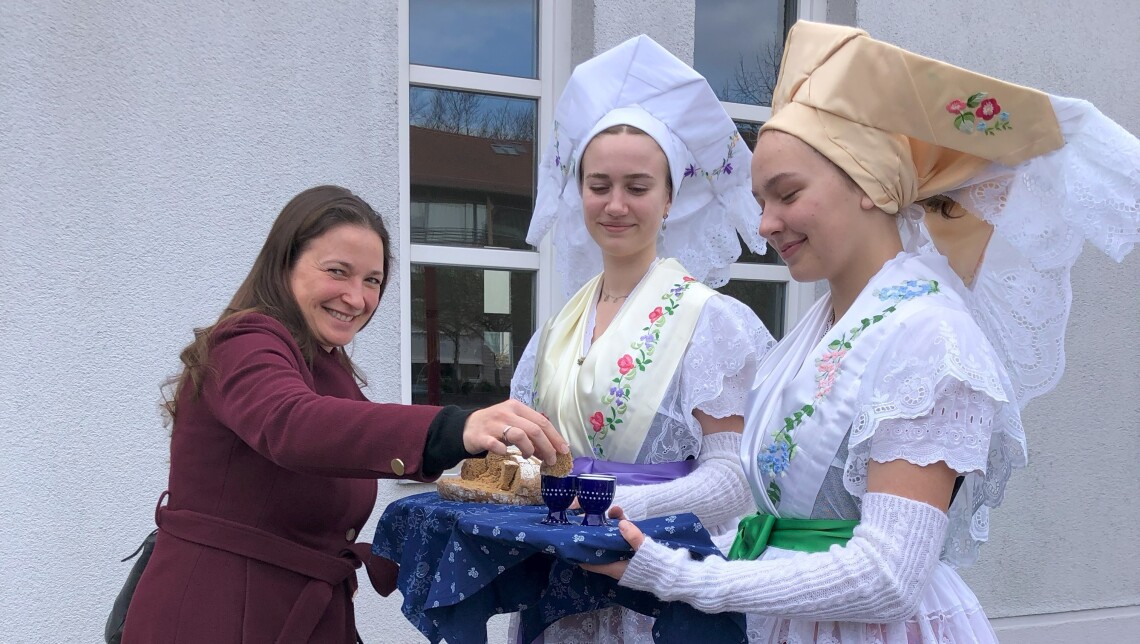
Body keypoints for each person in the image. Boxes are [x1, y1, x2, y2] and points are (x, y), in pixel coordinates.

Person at [584, 21, 1140, 643]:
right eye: (761, 200)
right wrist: (642, 540)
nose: (765, 223)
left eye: (786, 194)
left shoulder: (931, 338)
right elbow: (780, 528)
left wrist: (682, 574)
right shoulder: (813, 331)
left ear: (870, 184)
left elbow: (888, 574)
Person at [121, 185, 568, 644]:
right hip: (215, 615)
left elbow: (344, 446)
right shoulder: (245, 341)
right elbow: (293, 424)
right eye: (338, 272)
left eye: (372, 281)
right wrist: (459, 425)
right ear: (285, 263)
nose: (356, 298)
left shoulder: (322, 360)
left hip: (297, 614)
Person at [509, 35, 777, 642]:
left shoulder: (712, 324)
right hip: (560, 587)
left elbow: (735, 479)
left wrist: (611, 506)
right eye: (598, 184)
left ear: (669, 197)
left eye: (637, 186)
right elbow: (529, 453)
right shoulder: (556, 329)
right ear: (578, 191)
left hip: (653, 579)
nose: (615, 204)